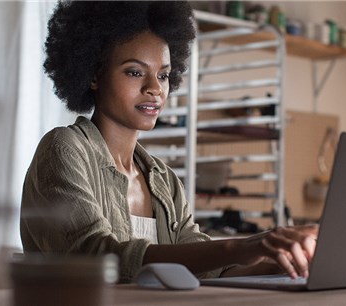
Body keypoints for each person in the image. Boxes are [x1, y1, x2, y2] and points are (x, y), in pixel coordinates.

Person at [20, 0, 317, 283]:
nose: (154, 89)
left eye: (163, 76)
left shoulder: (164, 179)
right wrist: (239, 246)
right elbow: (98, 258)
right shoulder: (63, 150)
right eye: (135, 72)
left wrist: (283, 265)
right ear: (95, 74)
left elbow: (208, 270)